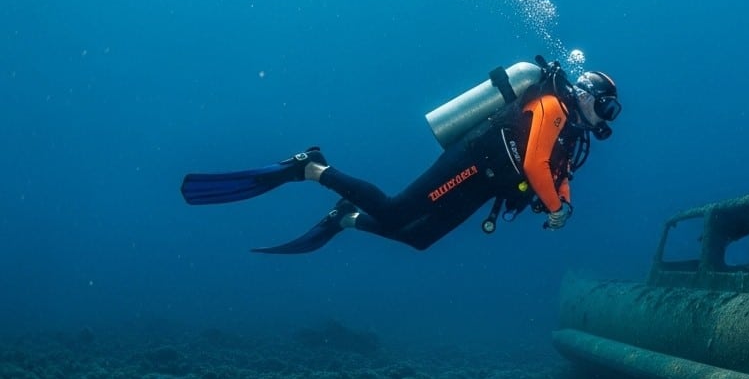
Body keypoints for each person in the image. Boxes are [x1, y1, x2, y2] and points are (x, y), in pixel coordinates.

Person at [180, 58, 621, 253]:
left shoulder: (570, 133)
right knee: (396, 212)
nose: (604, 115)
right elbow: (533, 165)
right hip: (472, 163)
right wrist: (555, 206)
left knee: (419, 237)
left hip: (485, 183)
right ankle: (312, 168)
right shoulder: (552, 107)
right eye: (605, 106)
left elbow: (557, 170)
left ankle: (345, 218)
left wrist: (563, 202)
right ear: (590, 96)